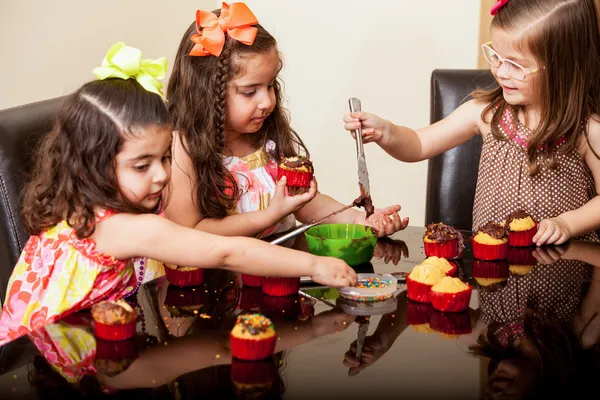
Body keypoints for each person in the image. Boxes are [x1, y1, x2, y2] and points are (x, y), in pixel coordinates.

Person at [0, 42, 357, 346]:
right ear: (89, 165)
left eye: (165, 157)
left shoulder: (85, 202)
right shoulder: (120, 227)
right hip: (41, 354)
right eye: (142, 166)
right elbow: (226, 252)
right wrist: (315, 265)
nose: (161, 175)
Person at [343, 0, 600, 246]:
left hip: (564, 269)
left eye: (516, 65)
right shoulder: (485, 114)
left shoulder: (587, 130)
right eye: (496, 56)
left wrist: (567, 223)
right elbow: (418, 145)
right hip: (493, 272)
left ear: (563, 67)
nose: (500, 71)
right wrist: (385, 131)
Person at [165, 2, 409, 240]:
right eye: (250, 92)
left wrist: (358, 219)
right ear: (206, 93)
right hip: (221, 277)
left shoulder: (265, 137)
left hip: (279, 270)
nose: (267, 102)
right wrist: (269, 216)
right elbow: (190, 233)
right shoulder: (183, 149)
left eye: (270, 85)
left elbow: (303, 203)